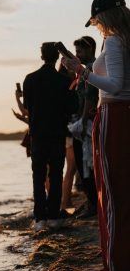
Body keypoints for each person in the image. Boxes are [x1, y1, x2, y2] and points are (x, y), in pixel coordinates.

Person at [62, 0, 130, 271]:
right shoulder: (125, 40)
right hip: (124, 114)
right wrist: (87, 69)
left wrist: (81, 71)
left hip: (114, 116)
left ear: (103, 17)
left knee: (111, 194)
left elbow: (113, 85)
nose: (98, 28)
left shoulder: (114, 41)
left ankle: (116, 270)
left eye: (97, 21)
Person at [23, 42, 77, 231]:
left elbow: (27, 107)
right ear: (56, 58)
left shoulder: (30, 79)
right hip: (57, 133)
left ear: (42, 57)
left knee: (38, 175)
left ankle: (40, 218)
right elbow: (73, 107)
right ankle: (53, 215)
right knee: (55, 174)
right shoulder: (63, 81)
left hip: (37, 134)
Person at [71, 36, 99, 219]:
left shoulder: (91, 69)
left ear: (89, 50)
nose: (77, 55)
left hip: (87, 122)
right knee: (85, 165)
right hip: (84, 120)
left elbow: (90, 96)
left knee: (86, 164)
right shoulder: (84, 70)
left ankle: (93, 203)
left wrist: (81, 121)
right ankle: (92, 201)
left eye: (80, 51)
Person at [57, 62, 78, 212]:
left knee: (69, 168)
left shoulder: (59, 84)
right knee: (71, 168)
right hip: (69, 131)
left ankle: (65, 201)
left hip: (64, 131)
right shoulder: (68, 84)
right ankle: (65, 202)